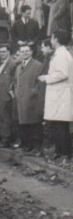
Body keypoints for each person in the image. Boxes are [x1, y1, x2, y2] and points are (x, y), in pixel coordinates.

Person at [37, 29, 73, 159]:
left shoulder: (62, 54)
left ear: (56, 39)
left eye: (52, 38)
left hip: (60, 94)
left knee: (61, 125)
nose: (51, 41)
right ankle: (60, 151)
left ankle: (65, 153)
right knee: (58, 124)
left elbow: (63, 74)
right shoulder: (60, 53)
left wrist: (46, 78)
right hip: (58, 93)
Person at [13, 44, 43, 152]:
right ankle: (25, 144)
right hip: (20, 99)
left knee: (33, 123)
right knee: (23, 123)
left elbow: (40, 82)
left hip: (31, 99)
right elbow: (16, 82)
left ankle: (35, 146)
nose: (24, 53)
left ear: (31, 52)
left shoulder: (37, 65)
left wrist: (33, 92)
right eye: (22, 51)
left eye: (26, 51)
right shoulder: (18, 67)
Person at [0, 43, 18, 147]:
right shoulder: (1, 64)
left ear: (9, 52)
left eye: (4, 51)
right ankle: (2, 137)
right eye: (0, 52)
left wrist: (10, 90)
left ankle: (6, 139)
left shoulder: (12, 64)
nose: (2, 54)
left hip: (6, 95)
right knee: (0, 116)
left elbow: (15, 79)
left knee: (5, 117)